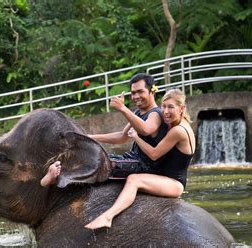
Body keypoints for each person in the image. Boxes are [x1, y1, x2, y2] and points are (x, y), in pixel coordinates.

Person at [83, 89, 195, 229]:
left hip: (174, 182)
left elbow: (154, 154)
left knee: (134, 180)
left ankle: (108, 217)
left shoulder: (178, 130)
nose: (165, 111)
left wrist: (135, 137)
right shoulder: (173, 123)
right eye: (164, 106)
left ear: (182, 108)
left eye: (171, 107)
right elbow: (126, 135)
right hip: (162, 175)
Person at [40, 73, 168, 187]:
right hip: (132, 159)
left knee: (101, 163)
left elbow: (146, 129)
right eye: (133, 93)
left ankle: (55, 178)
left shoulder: (156, 114)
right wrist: (90, 137)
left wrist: (123, 109)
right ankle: (55, 172)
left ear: (152, 91)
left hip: (144, 166)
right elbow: (121, 137)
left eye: (140, 92)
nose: (136, 96)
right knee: (96, 155)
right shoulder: (139, 113)